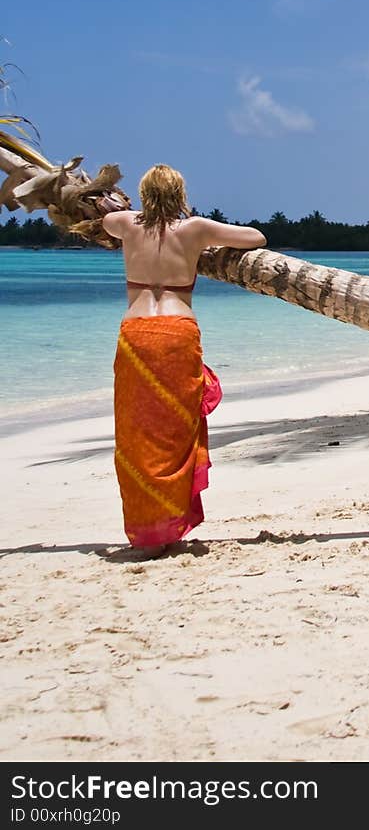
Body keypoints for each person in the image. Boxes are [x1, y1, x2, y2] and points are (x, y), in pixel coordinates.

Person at [102, 164, 267, 558]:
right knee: (176, 435)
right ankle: (172, 527)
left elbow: (104, 216)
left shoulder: (124, 223)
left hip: (137, 334)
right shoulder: (194, 229)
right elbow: (257, 237)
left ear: (144, 193)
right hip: (177, 333)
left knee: (137, 437)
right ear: (179, 193)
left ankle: (148, 534)